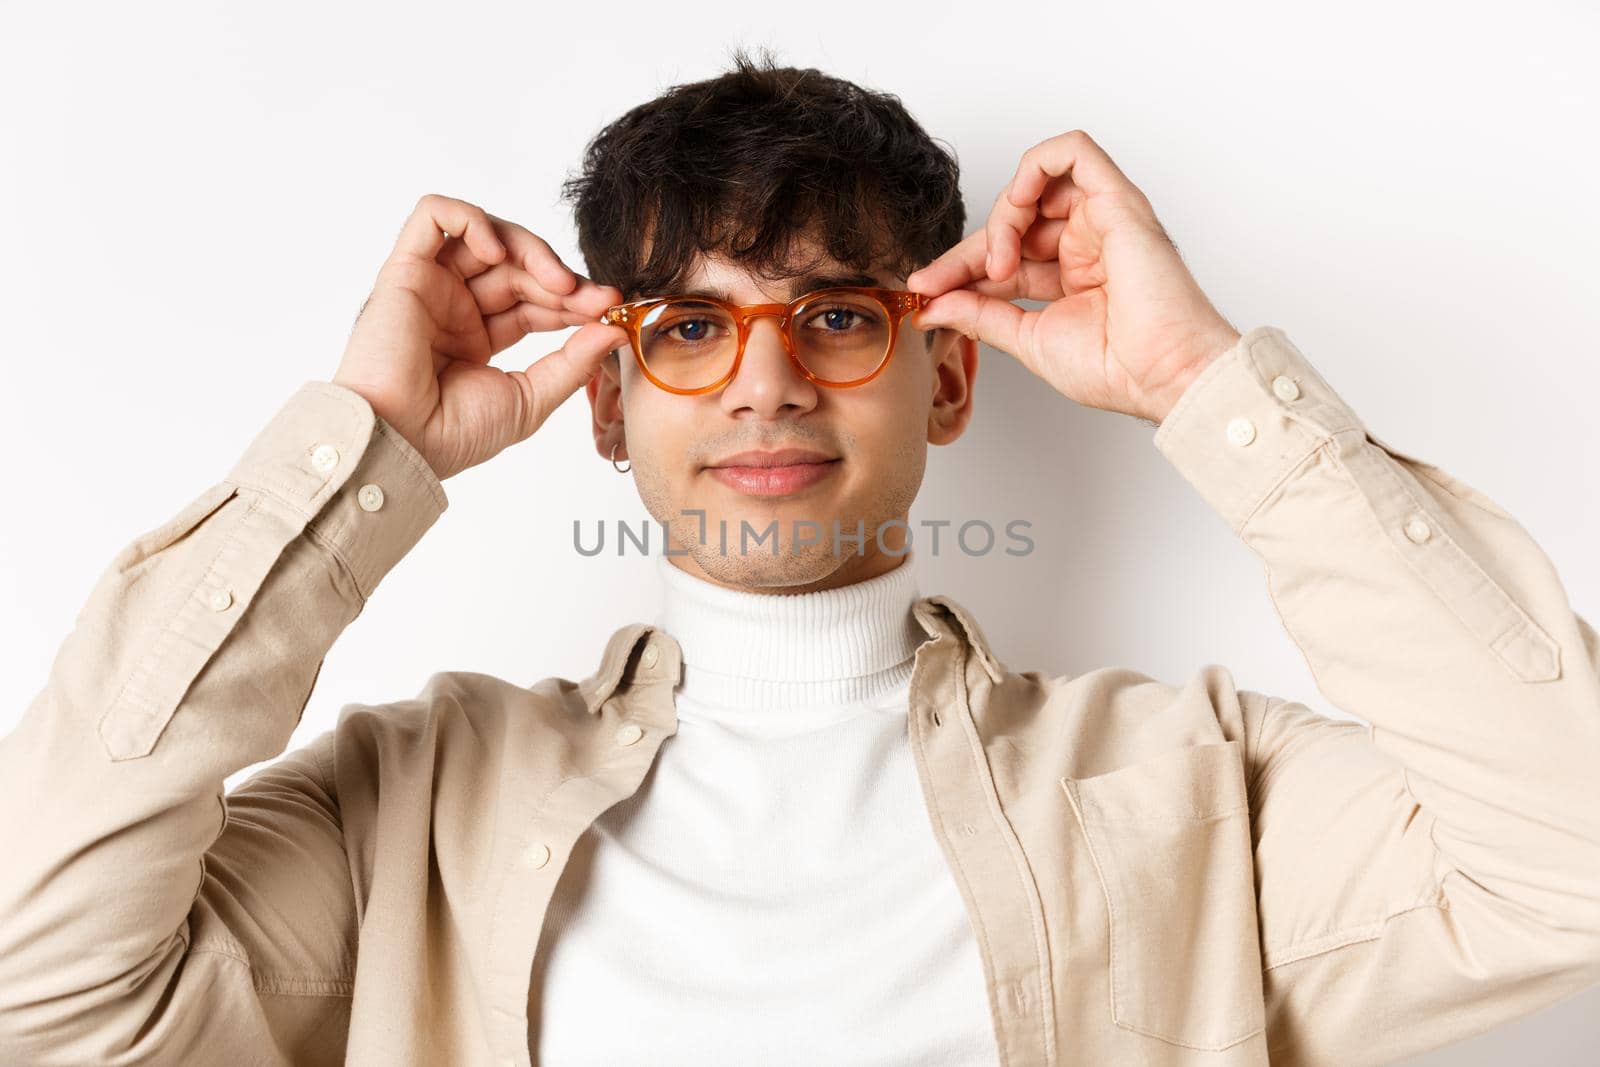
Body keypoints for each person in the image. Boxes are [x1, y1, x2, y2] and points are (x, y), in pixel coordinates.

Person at [2, 49, 1597, 1067]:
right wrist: (361, 445)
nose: (766, 382)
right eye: (692, 328)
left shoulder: (1188, 791)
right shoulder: (410, 811)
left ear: (949, 376)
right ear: (607, 406)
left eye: (835, 316)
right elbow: (38, 983)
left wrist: (1203, 388)